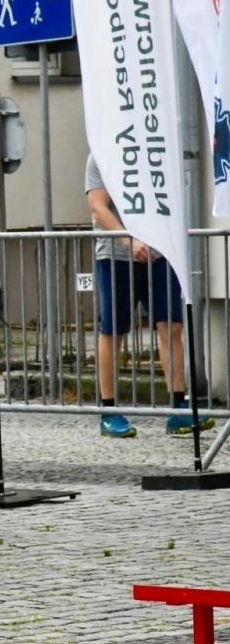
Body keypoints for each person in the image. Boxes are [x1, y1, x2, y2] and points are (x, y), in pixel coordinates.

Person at [84, 153, 209, 438]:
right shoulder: (101, 153)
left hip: (160, 253)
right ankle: (108, 410)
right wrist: (128, 239)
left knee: (172, 326)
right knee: (113, 330)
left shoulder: (155, 145)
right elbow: (97, 207)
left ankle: (178, 409)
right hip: (115, 256)